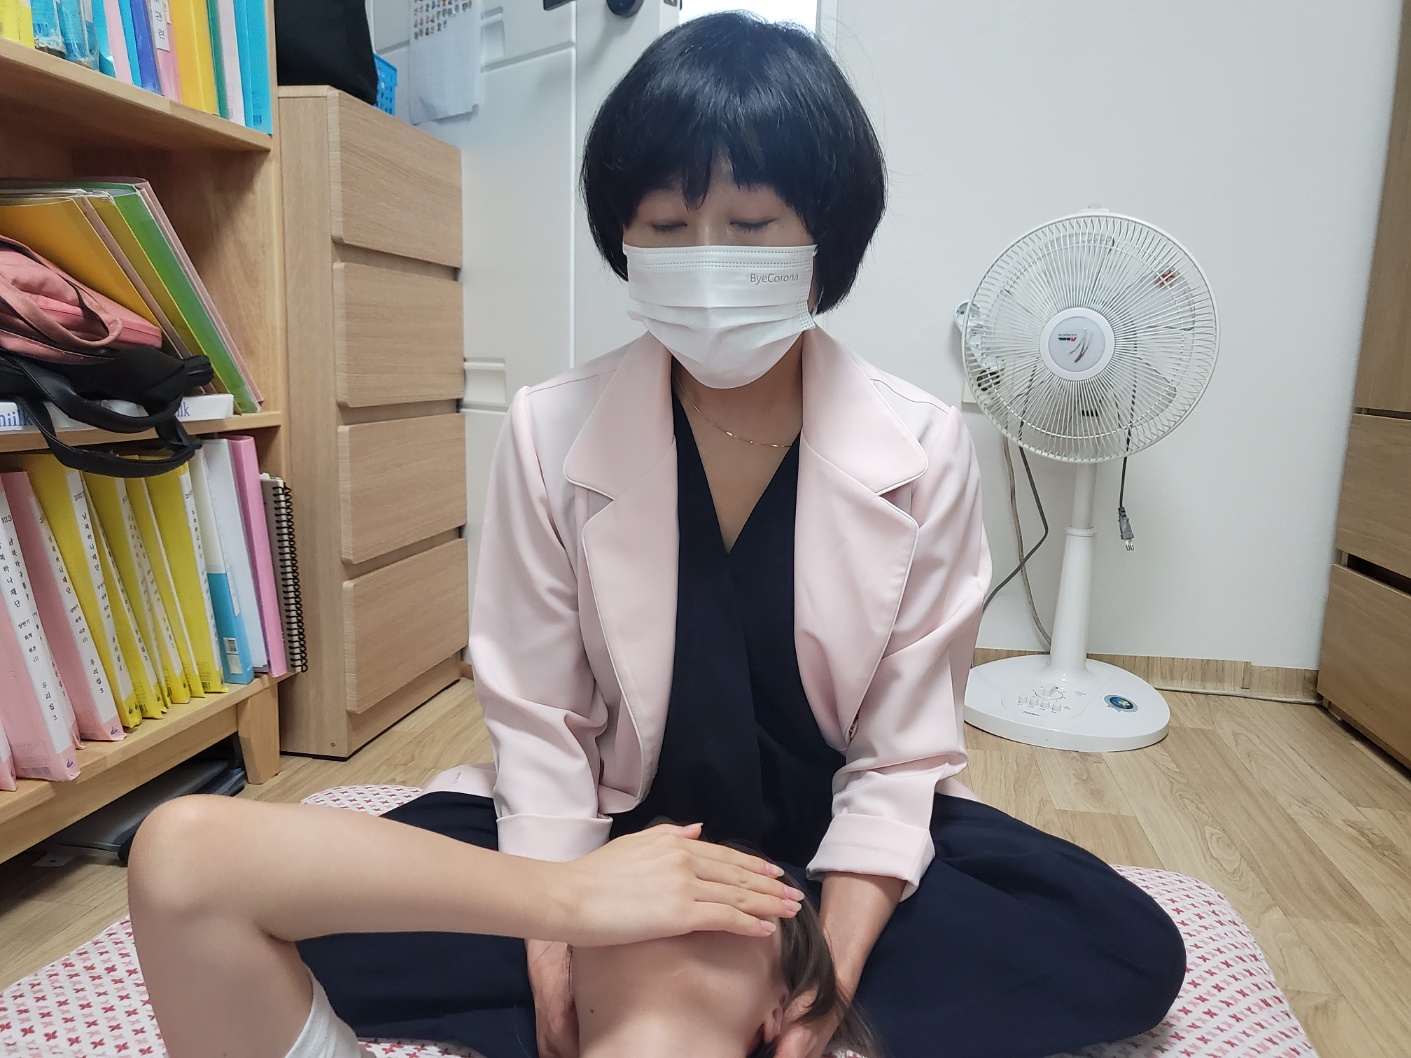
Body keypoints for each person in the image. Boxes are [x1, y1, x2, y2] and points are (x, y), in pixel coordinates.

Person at [298, 13, 1188, 1058]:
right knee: (325, 918)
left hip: (824, 846)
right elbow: (540, 724)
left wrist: (830, 973)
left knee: (1122, 951)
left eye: (751, 224)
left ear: (825, 237)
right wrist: (559, 931)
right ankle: (682, 977)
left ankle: (698, 984)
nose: (706, 261)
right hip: (615, 839)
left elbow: (901, 754)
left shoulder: (921, 443)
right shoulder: (548, 428)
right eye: (667, 227)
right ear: (622, 238)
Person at [125, 796, 872, 1058]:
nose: (678, 896)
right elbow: (191, 863)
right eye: (647, 874)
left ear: (782, 1008)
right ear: (569, 968)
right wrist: (565, 894)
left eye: (735, 890)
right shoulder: (572, 913)